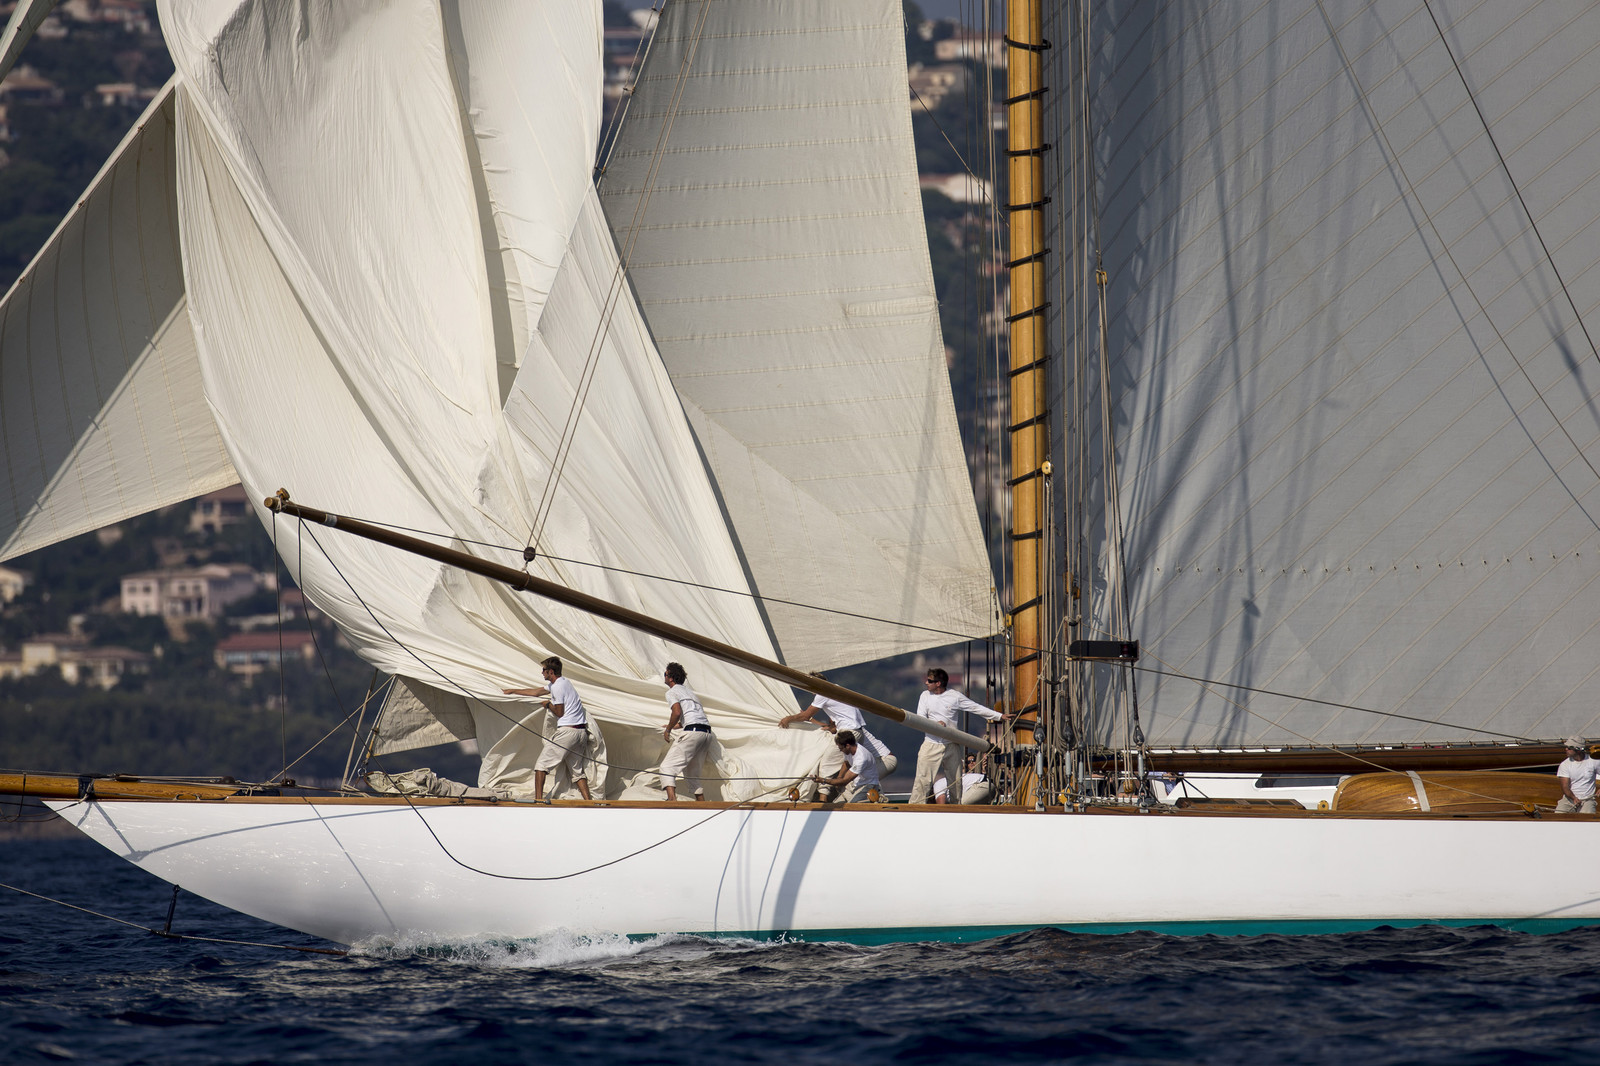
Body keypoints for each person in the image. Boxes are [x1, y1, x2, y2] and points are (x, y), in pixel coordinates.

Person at [779, 674, 898, 798]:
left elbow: (806, 715)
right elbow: (828, 727)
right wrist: (814, 721)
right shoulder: (838, 692)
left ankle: (823, 800)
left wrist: (789, 719)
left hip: (883, 760)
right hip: (873, 755)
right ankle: (856, 798)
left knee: (828, 764)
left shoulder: (823, 692)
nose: (811, 693)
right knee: (847, 778)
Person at [503, 656, 592, 802]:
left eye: (544, 670)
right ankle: (589, 802)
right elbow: (536, 692)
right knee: (577, 772)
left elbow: (559, 712)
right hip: (580, 733)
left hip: (567, 732)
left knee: (541, 766)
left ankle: (538, 801)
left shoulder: (557, 687)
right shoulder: (564, 682)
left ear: (550, 671)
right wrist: (512, 691)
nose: (541, 672)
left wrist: (547, 705)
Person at [908, 668, 1003, 804]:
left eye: (929, 680)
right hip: (931, 744)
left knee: (955, 781)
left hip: (951, 744)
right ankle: (915, 808)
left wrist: (999, 716)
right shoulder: (925, 696)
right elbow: (920, 718)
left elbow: (975, 708)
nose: (926, 682)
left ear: (939, 683)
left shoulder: (954, 696)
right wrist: (935, 723)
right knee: (923, 780)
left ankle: (956, 808)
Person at [659, 662, 713, 801]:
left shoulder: (672, 692)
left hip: (693, 732)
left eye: (665, 674)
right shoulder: (690, 693)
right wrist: (672, 725)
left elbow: (677, 712)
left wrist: (668, 730)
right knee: (692, 774)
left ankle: (671, 800)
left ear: (670, 678)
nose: (664, 676)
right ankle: (702, 805)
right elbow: (689, 717)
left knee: (667, 767)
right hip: (706, 733)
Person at [811, 730, 880, 804]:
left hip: (868, 785)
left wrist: (823, 780)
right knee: (835, 805)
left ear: (847, 746)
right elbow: (846, 763)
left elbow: (844, 781)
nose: (841, 751)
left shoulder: (861, 758)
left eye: (841, 748)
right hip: (856, 784)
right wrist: (839, 777)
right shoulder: (849, 750)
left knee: (852, 807)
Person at [1556, 737, 1599, 814]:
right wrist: (1574, 798)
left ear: (1579, 750)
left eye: (1569, 748)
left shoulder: (1594, 761)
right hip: (1569, 799)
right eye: (1566, 747)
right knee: (1558, 816)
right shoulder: (1565, 765)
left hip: (1588, 799)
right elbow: (1565, 787)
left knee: (1586, 818)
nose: (1566, 749)